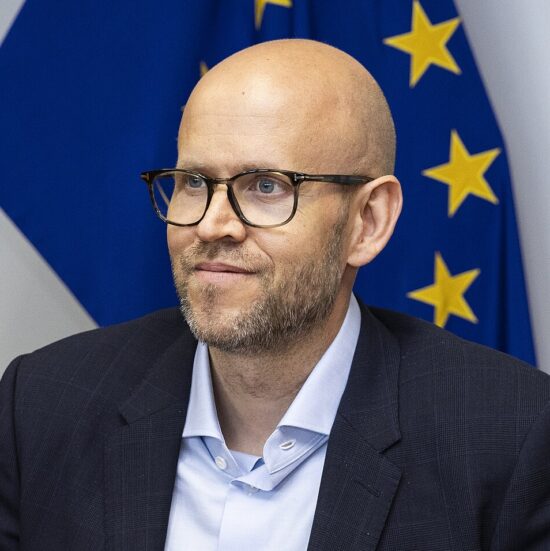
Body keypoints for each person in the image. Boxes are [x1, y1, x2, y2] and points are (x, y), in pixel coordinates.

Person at [1, 39, 550, 551]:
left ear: (368, 221)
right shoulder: (41, 405)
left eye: (266, 186)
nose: (212, 225)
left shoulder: (512, 437)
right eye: (193, 182)